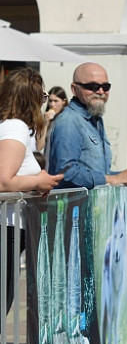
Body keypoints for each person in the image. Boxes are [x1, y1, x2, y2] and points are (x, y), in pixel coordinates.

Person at [0, 68, 64, 315]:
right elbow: (4, 182)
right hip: (7, 227)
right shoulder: (15, 128)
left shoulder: (14, 127)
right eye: (43, 96)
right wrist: (38, 181)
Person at [47, 62, 127, 190]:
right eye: (93, 86)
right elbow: (66, 173)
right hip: (75, 208)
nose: (101, 91)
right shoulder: (69, 121)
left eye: (105, 87)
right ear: (74, 89)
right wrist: (112, 179)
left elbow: (98, 173)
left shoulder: (96, 119)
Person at [40, 86, 68, 159]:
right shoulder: (47, 119)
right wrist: (46, 124)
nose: (52, 105)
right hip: (47, 163)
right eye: (50, 101)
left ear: (64, 101)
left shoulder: (66, 120)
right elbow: (39, 146)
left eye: (56, 101)